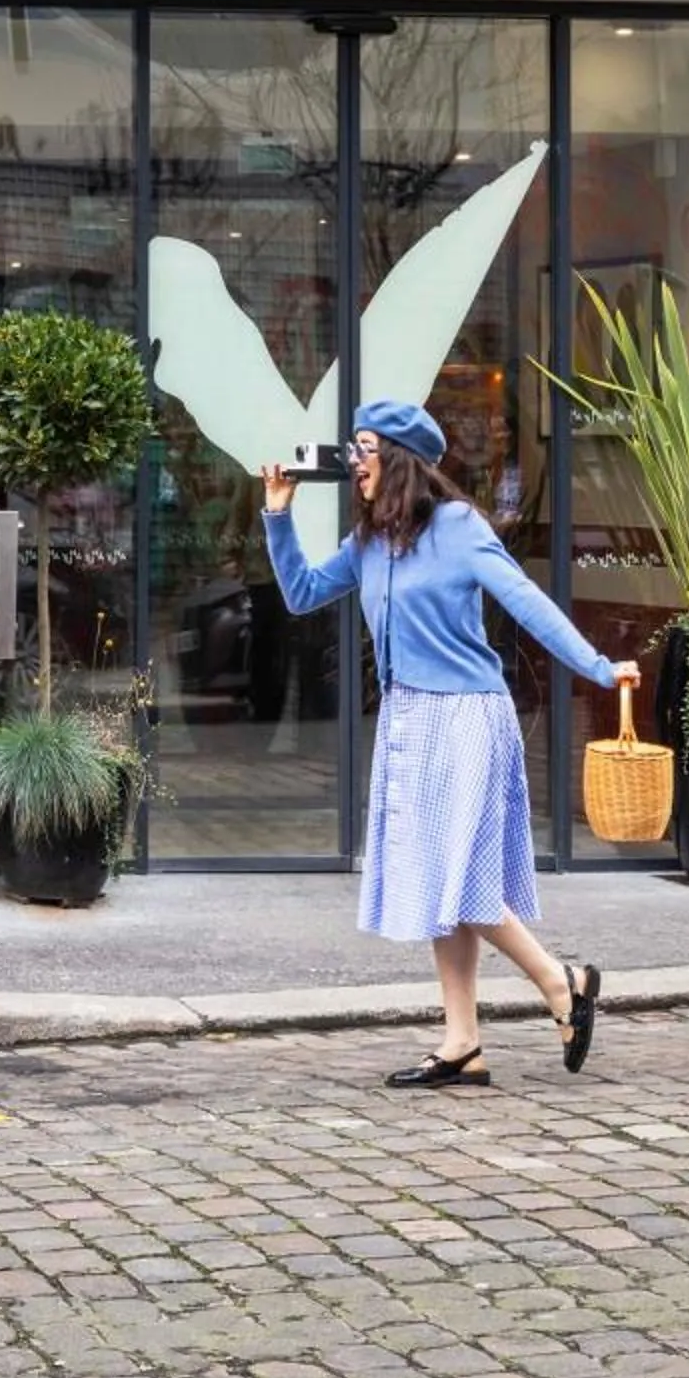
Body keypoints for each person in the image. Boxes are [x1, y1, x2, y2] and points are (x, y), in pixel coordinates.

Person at [258, 397, 643, 1089]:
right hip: (408, 719)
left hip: (467, 715)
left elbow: (528, 601)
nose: (354, 464)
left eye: (365, 449)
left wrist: (598, 665)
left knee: (458, 879)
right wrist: (278, 514)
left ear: (402, 460)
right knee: (443, 880)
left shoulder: (460, 528)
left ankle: (562, 982)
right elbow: (301, 592)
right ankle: (463, 1042)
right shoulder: (370, 543)